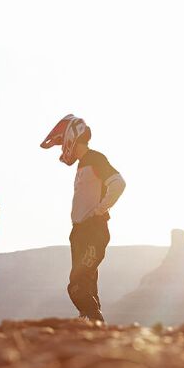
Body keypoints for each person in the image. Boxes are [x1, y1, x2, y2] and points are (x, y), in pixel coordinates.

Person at [41, 114, 125, 323]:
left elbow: (118, 183)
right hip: (79, 232)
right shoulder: (82, 164)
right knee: (87, 284)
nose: (61, 149)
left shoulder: (95, 158)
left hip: (94, 230)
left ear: (71, 138)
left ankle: (97, 322)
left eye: (62, 143)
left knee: (76, 284)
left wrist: (100, 210)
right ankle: (91, 326)